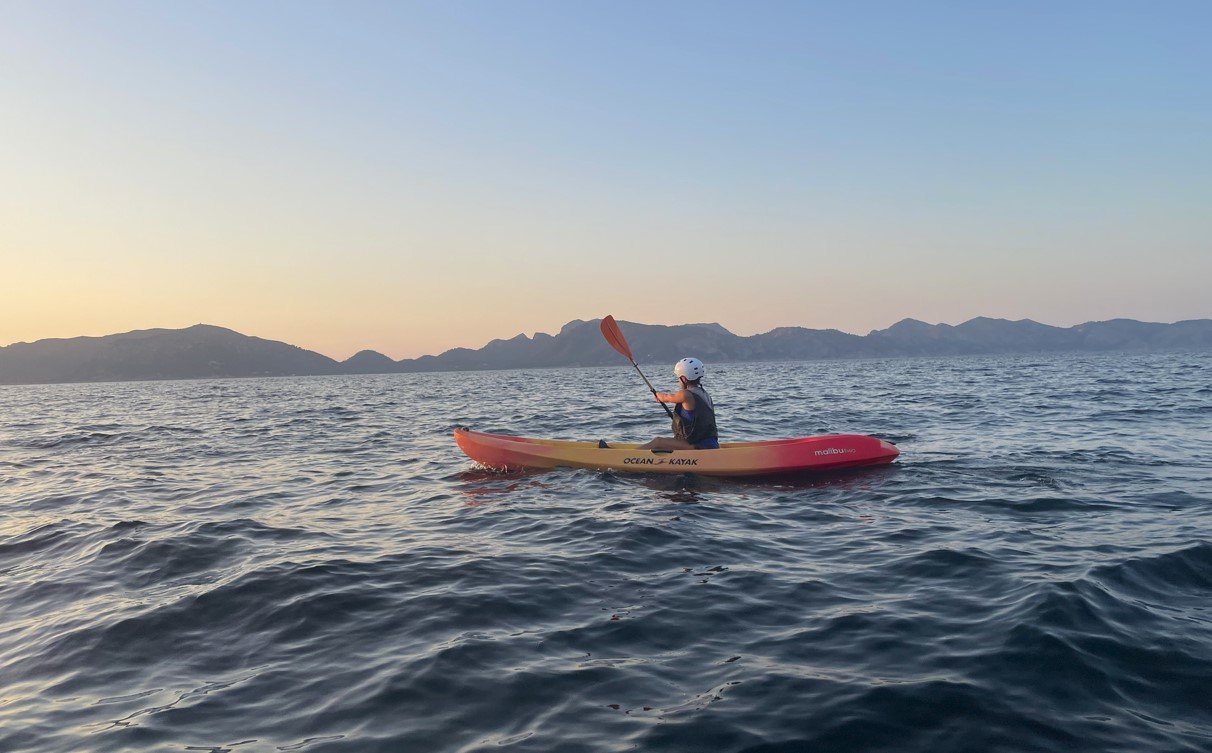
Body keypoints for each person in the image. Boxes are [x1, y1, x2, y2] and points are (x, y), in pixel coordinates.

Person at [637, 357, 719, 450]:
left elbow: (667, 397)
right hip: (711, 443)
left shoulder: (685, 394)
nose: (678, 381)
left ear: (684, 378)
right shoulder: (704, 394)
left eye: (679, 378)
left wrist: (658, 395)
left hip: (697, 446)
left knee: (658, 441)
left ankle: (630, 457)